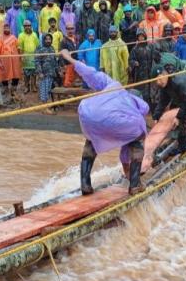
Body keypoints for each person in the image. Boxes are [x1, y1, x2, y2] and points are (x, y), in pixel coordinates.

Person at [60, 49, 148, 196]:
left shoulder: (113, 85)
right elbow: (144, 111)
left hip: (88, 113)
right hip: (121, 122)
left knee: (91, 142)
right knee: (137, 138)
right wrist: (127, 169)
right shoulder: (137, 107)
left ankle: (85, 184)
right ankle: (134, 184)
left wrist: (68, 57)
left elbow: (90, 73)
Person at [128, 28, 155, 106]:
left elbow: (155, 57)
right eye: (139, 37)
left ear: (145, 36)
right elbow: (130, 60)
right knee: (140, 89)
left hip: (150, 71)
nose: (141, 38)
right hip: (140, 73)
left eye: (142, 36)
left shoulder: (150, 47)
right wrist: (134, 62)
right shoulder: (135, 49)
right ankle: (141, 105)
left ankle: (150, 105)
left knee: (151, 89)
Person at [0, 23, 22, 98]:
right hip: (4, 59)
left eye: (8, 28)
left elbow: (18, 45)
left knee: (16, 73)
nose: (7, 29)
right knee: (4, 73)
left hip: (14, 59)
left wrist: (19, 50)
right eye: (5, 28)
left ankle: (14, 89)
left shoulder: (13, 37)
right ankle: (5, 89)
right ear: (3, 29)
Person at [35, 33, 59, 114]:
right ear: (43, 40)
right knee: (43, 91)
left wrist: (57, 70)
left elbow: (54, 60)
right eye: (46, 39)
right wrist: (40, 72)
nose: (48, 41)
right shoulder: (40, 49)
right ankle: (44, 108)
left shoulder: (52, 48)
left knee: (48, 90)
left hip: (51, 73)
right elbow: (37, 62)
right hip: (43, 74)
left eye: (50, 39)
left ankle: (46, 107)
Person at [17, 20, 40, 93]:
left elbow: (37, 45)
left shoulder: (34, 34)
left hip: (33, 56)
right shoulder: (21, 35)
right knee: (26, 74)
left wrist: (37, 56)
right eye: (25, 26)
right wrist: (21, 57)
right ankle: (26, 87)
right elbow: (20, 47)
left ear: (31, 26)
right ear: (23, 27)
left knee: (34, 73)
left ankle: (33, 86)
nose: (27, 27)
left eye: (29, 25)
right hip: (26, 56)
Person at [59, 23, 78, 87]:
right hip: (68, 64)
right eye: (68, 29)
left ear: (74, 29)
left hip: (76, 63)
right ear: (66, 30)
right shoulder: (63, 41)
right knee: (67, 82)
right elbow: (61, 54)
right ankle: (68, 96)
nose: (70, 30)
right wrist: (63, 65)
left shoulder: (77, 39)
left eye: (72, 28)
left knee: (75, 81)